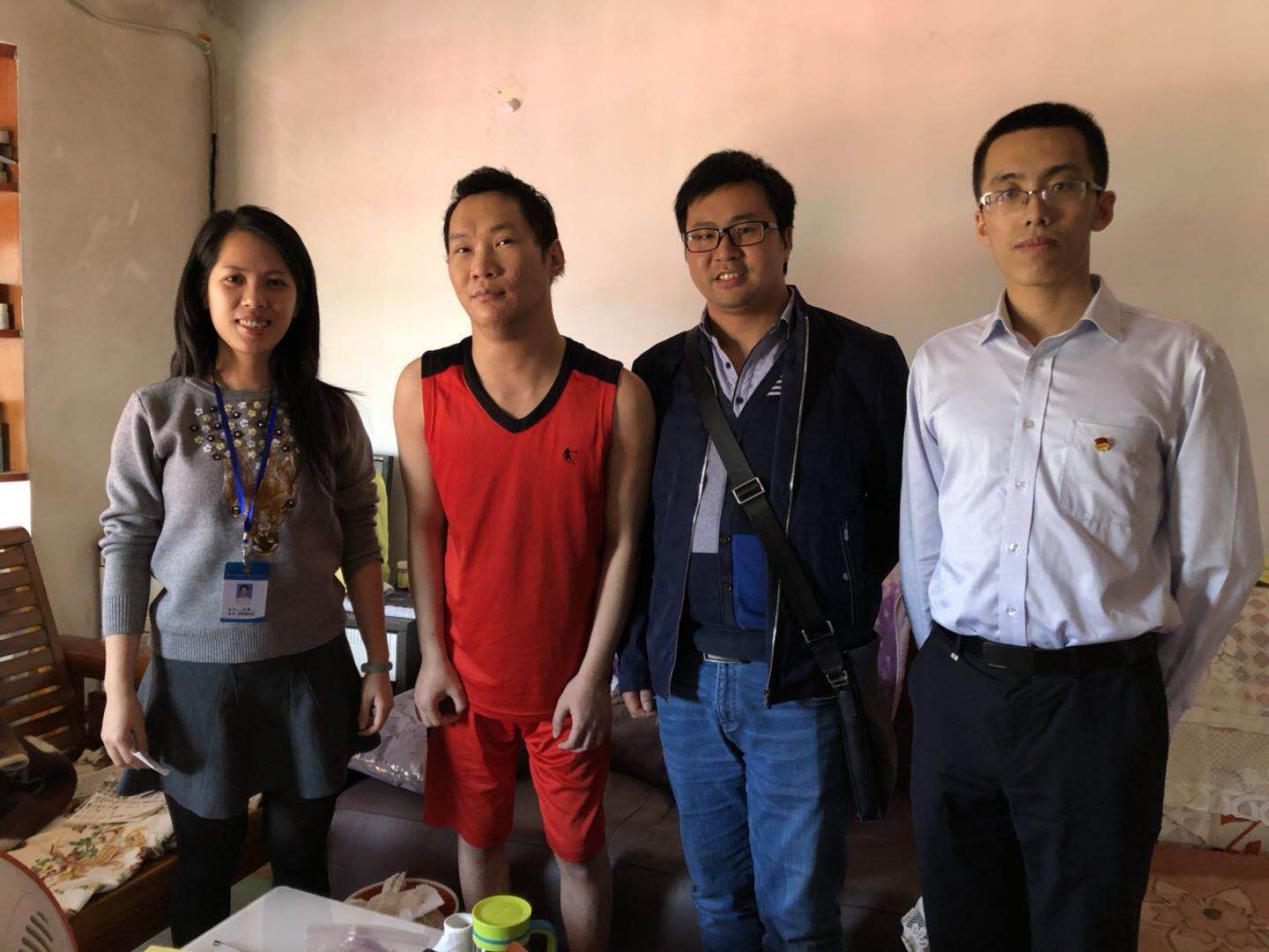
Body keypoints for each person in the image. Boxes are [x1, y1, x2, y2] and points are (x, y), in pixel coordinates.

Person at [900, 102, 1263, 952]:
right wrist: (940, 669)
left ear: (1100, 206)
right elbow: (922, 540)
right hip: (956, 697)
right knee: (961, 925)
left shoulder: (1179, 362)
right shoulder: (940, 365)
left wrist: (1140, 694)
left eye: (1059, 186)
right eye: (1008, 190)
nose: (1033, 210)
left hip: (1098, 706)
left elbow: (1217, 560)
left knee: (1085, 932)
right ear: (980, 219)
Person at [617, 150, 908, 950]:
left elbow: (897, 510)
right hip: (685, 681)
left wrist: (840, 596)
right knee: (717, 901)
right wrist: (635, 650)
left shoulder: (861, 360)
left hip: (799, 682)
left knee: (799, 917)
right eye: (702, 233)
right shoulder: (656, 373)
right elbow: (636, 525)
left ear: (784, 238)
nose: (724, 250)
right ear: (685, 249)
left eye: (746, 229)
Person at [99, 205, 393, 945]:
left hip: (309, 671)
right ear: (202, 290)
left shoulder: (328, 414)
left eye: (276, 282)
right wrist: (118, 687)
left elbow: (361, 541)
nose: (254, 300)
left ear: (300, 297)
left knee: (300, 862)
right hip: (197, 678)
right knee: (206, 864)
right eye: (234, 279)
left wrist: (378, 665)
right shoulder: (157, 412)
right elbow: (125, 545)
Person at [393, 167, 654, 952]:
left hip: (565, 687)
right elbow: (424, 530)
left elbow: (622, 542)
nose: (481, 264)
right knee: (477, 841)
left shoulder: (615, 393)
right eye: (461, 247)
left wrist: (593, 675)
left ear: (552, 256)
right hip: (466, 685)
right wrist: (432, 659)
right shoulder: (423, 387)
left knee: (579, 854)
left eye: (503, 241)